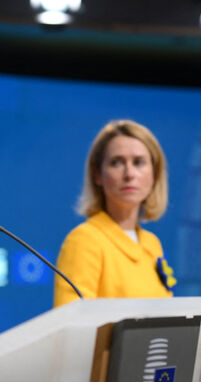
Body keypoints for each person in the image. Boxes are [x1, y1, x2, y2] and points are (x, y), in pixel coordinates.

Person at [54, 120, 175, 306]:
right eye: (116, 162)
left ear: (155, 173)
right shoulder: (84, 240)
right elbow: (72, 326)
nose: (129, 174)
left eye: (139, 162)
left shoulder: (152, 244)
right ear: (97, 175)